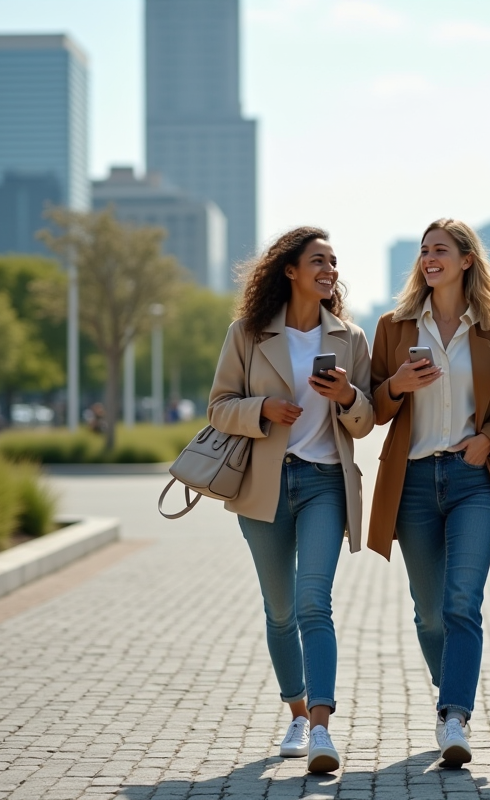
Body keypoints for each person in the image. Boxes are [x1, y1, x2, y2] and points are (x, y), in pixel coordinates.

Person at [369, 219, 490, 767]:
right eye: (423, 251)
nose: (428, 259)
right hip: (413, 481)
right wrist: (398, 384)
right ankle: (452, 698)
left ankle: (454, 715)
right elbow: (373, 407)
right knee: (429, 611)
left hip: (473, 480)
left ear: (467, 260)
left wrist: (489, 442)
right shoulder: (393, 327)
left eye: (439, 249)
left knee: (463, 602)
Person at [207, 226, 374, 774]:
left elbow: (367, 420)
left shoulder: (350, 337)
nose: (329, 270)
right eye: (318, 261)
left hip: (325, 482)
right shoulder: (247, 333)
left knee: (312, 603)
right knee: (279, 611)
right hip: (265, 485)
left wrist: (348, 396)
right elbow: (218, 407)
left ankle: (323, 729)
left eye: (333, 262)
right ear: (290, 271)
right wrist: (262, 410)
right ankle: (297, 712)